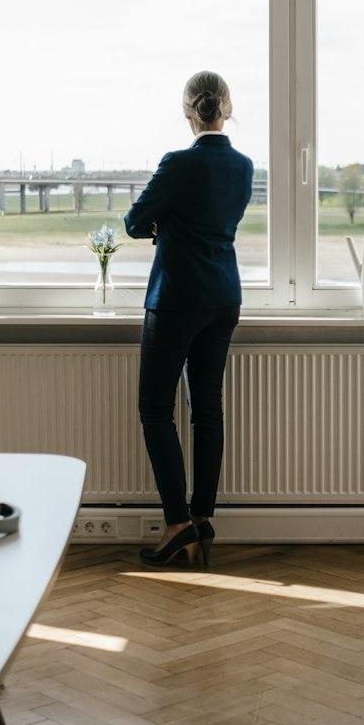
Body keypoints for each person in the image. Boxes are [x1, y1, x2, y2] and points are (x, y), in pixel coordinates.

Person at [123, 72, 253, 567]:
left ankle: (176, 521)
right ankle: (202, 516)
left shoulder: (178, 162)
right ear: (227, 107)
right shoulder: (242, 166)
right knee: (208, 410)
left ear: (187, 112)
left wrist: (165, 223)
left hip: (177, 298)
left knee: (156, 409)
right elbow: (217, 219)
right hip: (224, 296)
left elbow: (136, 221)